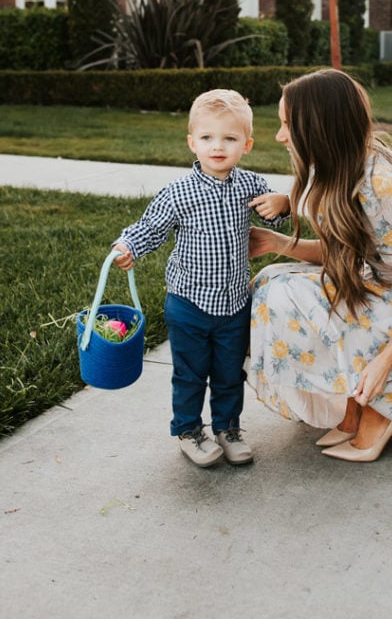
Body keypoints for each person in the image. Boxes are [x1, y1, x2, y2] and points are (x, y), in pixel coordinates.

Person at [246, 69, 392, 462]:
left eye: (286, 125)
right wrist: (278, 244)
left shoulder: (379, 184)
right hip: (387, 286)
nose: (281, 136)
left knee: (283, 294)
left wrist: (385, 362)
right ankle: (354, 405)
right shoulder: (334, 164)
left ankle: (381, 409)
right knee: (271, 281)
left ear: (317, 127)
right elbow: (347, 252)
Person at [112, 89, 290, 468]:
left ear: (247, 144)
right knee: (191, 374)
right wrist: (127, 247)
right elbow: (150, 228)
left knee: (228, 373)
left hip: (233, 303)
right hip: (189, 304)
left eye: (229, 138)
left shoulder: (250, 185)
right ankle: (189, 430)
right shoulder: (178, 194)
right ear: (192, 142)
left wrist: (283, 203)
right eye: (207, 138)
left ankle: (228, 428)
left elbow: (276, 216)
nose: (217, 147)